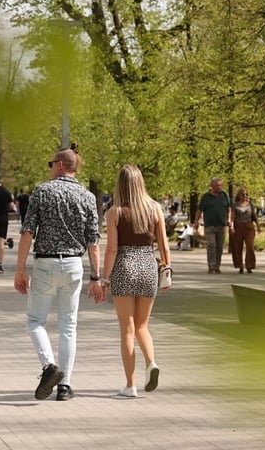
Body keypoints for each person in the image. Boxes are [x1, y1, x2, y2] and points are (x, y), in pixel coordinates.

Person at [13, 144, 102, 402]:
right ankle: (65, 385)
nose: (50, 168)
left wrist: (20, 270)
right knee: (68, 326)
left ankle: (49, 365)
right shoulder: (87, 197)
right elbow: (93, 242)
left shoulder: (42, 192)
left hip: (45, 264)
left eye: (51, 164)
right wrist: (96, 277)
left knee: (35, 321)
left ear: (60, 165)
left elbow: (28, 232)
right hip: (74, 264)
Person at [101, 165, 171, 398]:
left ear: (120, 184)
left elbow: (111, 250)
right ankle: (151, 362)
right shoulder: (155, 209)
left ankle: (130, 385)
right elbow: (163, 244)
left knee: (127, 329)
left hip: (124, 266)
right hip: (148, 266)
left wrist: (104, 278)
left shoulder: (115, 212)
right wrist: (166, 269)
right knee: (143, 326)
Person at [193, 177, 232, 274]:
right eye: (217, 186)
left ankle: (217, 266)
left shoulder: (224, 195)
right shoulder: (206, 197)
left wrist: (229, 219)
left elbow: (229, 208)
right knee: (211, 245)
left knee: (219, 247)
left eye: (220, 185)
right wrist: (196, 221)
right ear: (212, 186)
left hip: (222, 225)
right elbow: (199, 210)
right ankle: (211, 265)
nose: (219, 187)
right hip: (209, 225)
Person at [231, 187, 259, 274]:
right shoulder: (235, 205)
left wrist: (258, 225)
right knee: (238, 247)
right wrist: (231, 227)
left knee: (250, 246)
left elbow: (254, 216)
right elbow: (231, 217)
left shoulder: (250, 204)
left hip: (249, 227)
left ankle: (249, 265)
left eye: (246, 194)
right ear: (239, 195)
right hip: (238, 227)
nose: (245, 196)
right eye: (243, 194)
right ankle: (240, 265)